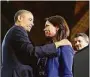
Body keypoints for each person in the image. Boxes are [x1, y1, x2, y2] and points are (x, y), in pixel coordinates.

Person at [1, 10, 72, 77]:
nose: (32, 24)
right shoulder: (17, 30)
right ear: (20, 18)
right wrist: (57, 44)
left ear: (57, 27)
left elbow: (67, 73)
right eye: (30, 20)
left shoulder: (65, 47)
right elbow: (31, 51)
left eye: (47, 26)